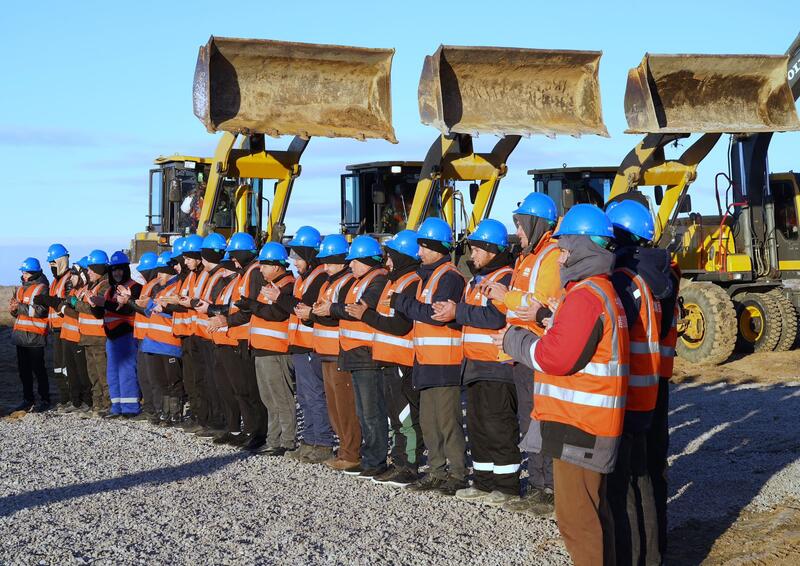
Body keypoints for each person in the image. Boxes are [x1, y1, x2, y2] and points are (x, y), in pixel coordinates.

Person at [499, 204, 629, 566]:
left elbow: (555, 358)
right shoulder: (599, 291)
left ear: (585, 248)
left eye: (566, 250)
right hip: (585, 424)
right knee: (593, 515)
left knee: (579, 522)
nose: (560, 259)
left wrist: (514, 341)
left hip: (580, 427)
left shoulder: (586, 296)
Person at [481, 192, 561, 515]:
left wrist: (508, 296)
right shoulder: (527, 257)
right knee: (528, 420)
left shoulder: (550, 256)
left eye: (521, 223)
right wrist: (497, 297)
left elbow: (536, 306)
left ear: (536, 222)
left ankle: (550, 489)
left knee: (541, 420)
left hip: (538, 351)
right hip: (521, 353)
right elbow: (518, 305)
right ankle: (539, 485)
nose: (519, 231)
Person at [606, 198, 676, 565]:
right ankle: (654, 549)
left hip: (629, 389)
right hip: (653, 385)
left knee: (627, 481)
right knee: (648, 472)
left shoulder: (624, 280)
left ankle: (636, 555)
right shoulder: (660, 274)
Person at [432, 219, 521, 507]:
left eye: (477, 249)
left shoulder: (506, 277)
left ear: (493, 249)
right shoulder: (477, 280)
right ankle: (483, 482)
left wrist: (458, 311)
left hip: (497, 366)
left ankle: (507, 486)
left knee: (499, 427)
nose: (472, 254)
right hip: (474, 365)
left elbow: (495, 317)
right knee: (479, 426)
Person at [393, 217, 467, 497]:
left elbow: (436, 315)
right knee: (429, 421)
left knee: (447, 422)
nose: (419, 252)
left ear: (438, 247)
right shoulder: (431, 276)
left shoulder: (448, 277)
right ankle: (437, 471)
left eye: (424, 247)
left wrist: (403, 303)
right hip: (427, 360)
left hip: (445, 362)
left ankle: (457, 473)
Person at [353, 230, 424, 487]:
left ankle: (410, 465)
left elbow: (400, 326)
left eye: (392, 256)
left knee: (405, 415)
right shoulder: (396, 281)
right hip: (388, 359)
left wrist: (366, 316)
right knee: (394, 416)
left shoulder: (411, 282)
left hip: (402, 359)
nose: (388, 262)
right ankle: (398, 461)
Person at [332, 235, 389, 478]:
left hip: (367, 355)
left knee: (372, 412)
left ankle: (375, 460)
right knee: (363, 411)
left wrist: (332, 310)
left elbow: (358, 310)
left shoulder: (377, 280)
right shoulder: (359, 280)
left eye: (354, 261)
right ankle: (369, 458)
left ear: (366, 260)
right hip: (354, 354)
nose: (350, 265)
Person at [207, 233, 268, 452]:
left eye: (234, 255)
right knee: (240, 390)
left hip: (242, 339)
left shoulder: (253, 273)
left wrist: (226, 319)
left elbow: (248, 308)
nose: (231, 260)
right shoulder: (245, 274)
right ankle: (250, 431)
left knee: (248, 390)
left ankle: (257, 432)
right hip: (235, 337)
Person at [306, 234, 361, 472]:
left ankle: (351, 453)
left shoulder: (346, 282)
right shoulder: (330, 282)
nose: (325, 267)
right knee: (334, 406)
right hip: (326, 351)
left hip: (339, 351)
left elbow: (343, 313)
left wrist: (320, 312)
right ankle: (344, 450)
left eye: (329, 261)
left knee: (345, 405)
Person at [281, 227, 335, 464]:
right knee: (304, 396)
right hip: (300, 344)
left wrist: (280, 299)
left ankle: (322, 443)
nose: (294, 261)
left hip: (310, 344)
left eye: (298, 256)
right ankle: (309, 441)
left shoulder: (320, 276)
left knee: (314, 395)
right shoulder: (304, 278)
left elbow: (305, 305)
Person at [247, 242, 297, 456]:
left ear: (277, 266)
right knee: (270, 400)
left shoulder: (286, 285)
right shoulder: (272, 284)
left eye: (265, 265)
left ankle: (287, 441)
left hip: (277, 351)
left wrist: (252, 306)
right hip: (263, 349)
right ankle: (273, 439)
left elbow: (277, 313)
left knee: (282, 399)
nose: (260, 269)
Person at [187, 233, 230, 435]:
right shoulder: (211, 275)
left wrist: (193, 304)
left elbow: (215, 305)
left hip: (213, 334)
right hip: (204, 333)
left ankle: (218, 422)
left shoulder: (219, 275)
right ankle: (210, 420)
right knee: (205, 381)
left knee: (215, 383)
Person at [135, 252, 184, 425]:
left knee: (173, 381)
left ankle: (175, 413)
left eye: (162, 272)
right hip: (154, 343)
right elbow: (151, 311)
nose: (158, 276)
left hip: (169, 344)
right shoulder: (161, 289)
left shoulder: (177, 287)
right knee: (158, 381)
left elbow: (174, 310)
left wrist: (150, 304)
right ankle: (163, 412)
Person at [204, 251, 247, 443]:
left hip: (232, 342)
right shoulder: (226, 284)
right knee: (225, 388)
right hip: (220, 340)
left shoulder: (236, 283)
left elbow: (232, 310)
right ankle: (234, 429)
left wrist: (210, 310)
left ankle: (246, 429)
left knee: (239, 389)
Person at [171, 234, 210, 432]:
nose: (183, 263)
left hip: (200, 332)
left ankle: (204, 417)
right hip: (189, 332)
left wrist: (180, 302)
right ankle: (197, 415)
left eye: (186, 259)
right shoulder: (191, 276)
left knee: (200, 379)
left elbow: (199, 303)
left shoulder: (201, 276)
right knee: (192, 379)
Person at [99, 251, 142, 418]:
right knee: (112, 372)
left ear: (126, 269)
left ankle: (130, 408)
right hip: (111, 337)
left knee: (127, 371)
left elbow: (129, 309)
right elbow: (103, 310)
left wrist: (105, 304)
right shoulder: (110, 290)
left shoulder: (135, 287)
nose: (117, 273)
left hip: (126, 335)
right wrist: (96, 305)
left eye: (120, 269)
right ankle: (116, 406)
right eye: (114, 269)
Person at [8, 257, 50, 412]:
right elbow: (18, 313)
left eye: (25, 272)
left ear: (33, 273)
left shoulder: (42, 288)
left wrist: (20, 307)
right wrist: (13, 310)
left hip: (35, 336)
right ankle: (28, 399)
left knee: (39, 370)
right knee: (24, 371)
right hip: (20, 337)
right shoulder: (20, 289)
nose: (23, 275)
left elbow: (41, 310)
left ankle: (45, 399)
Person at [73, 249, 111, 417]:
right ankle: (97, 404)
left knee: (103, 374)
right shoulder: (92, 285)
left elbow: (94, 308)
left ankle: (107, 404)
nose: (88, 272)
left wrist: (76, 304)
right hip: (88, 337)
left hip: (99, 336)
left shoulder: (106, 286)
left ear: (98, 269)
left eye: (90, 269)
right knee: (93, 374)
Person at [35, 243, 71, 411]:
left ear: (62, 261)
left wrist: (47, 300)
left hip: (67, 329)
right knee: (58, 367)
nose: (52, 267)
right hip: (56, 329)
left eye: (54, 264)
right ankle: (64, 399)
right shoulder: (56, 282)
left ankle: (72, 399)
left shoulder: (68, 279)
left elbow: (67, 305)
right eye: (50, 265)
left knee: (67, 367)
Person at [57, 256, 93, 414]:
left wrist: (65, 309)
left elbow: (82, 313)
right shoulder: (73, 291)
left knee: (82, 372)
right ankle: (76, 401)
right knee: (71, 372)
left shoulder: (86, 292)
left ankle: (87, 401)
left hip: (79, 336)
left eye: (74, 274)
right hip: (67, 335)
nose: (71, 278)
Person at [129, 252, 159, 421]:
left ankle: (153, 408)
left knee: (150, 375)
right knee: (144, 375)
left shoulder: (154, 286)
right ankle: (149, 407)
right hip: (144, 336)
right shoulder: (149, 285)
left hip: (151, 337)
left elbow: (148, 311)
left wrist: (130, 302)